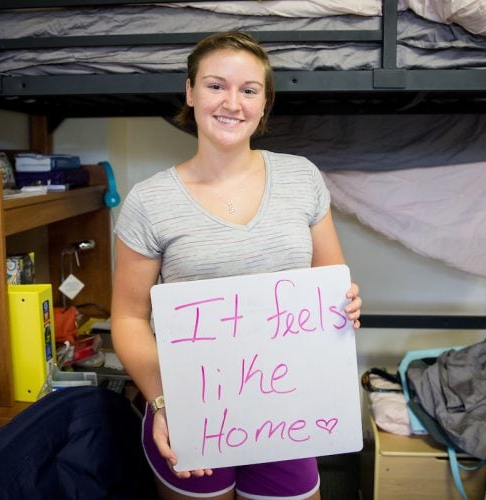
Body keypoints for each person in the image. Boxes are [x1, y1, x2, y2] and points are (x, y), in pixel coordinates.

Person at [111, 31, 362, 500]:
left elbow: (332, 283)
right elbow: (127, 318)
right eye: (215, 85)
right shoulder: (150, 201)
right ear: (189, 92)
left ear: (264, 103)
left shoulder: (302, 178)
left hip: (286, 408)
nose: (232, 102)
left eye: (249, 90)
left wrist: (347, 303)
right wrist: (164, 402)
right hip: (190, 410)